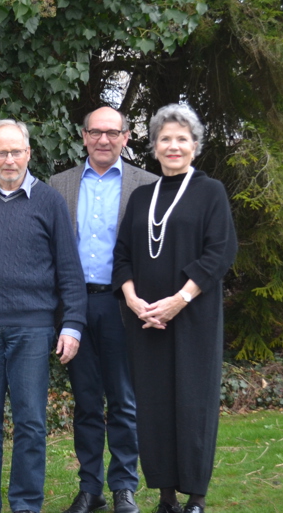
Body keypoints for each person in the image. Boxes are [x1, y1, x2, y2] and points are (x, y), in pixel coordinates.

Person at [0, 119, 87, 513]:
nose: (10, 159)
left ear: (28, 153)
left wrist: (72, 324)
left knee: (30, 423)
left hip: (32, 328)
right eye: (1, 152)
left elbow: (69, 269)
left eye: (17, 151)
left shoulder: (49, 201)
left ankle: (26, 504)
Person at [112, 104, 237, 513]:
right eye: (165, 138)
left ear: (195, 146)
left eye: (182, 139)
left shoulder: (210, 191)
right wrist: (132, 300)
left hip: (193, 317)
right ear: (153, 146)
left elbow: (220, 252)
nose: (173, 146)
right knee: (154, 404)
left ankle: (195, 496)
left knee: (193, 403)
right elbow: (124, 254)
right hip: (146, 320)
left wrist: (180, 299)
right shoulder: (141, 196)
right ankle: (165, 494)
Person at [49, 107, 157, 513]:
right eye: (96, 132)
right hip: (75, 307)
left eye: (112, 132)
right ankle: (90, 487)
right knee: (87, 401)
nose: (103, 140)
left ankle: (124, 487)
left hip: (123, 306)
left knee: (125, 401)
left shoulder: (146, 184)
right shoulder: (59, 186)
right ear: (83, 136)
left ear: (127, 137)